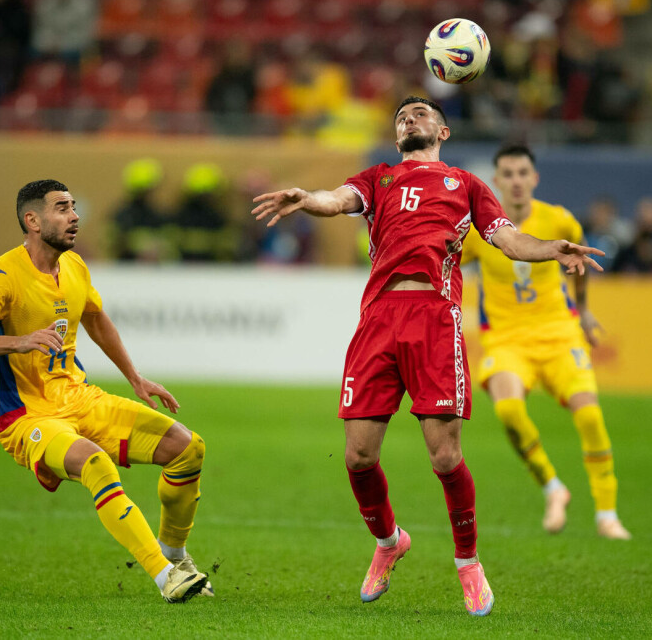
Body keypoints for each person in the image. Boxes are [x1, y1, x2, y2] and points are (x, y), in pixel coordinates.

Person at [252, 97, 605, 617]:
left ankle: (468, 563)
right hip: (378, 320)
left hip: (435, 320)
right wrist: (307, 198)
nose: (408, 119)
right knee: (358, 457)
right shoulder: (378, 179)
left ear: (443, 130)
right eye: (401, 116)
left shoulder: (466, 186)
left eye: (419, 113)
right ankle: (389, 541)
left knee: (444, 457)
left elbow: (508, 240)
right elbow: (336, 200)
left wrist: (552, 248)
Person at [0, 179, 211, 603]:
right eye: (62, 208)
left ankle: (174, 555)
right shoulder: (1, 276)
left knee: (187, 448)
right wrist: (20, 341)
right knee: (95, 462)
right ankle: (165, 578)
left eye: (73, 207)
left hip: (79, 398)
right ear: (33, 221)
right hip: (28, 417)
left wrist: (135, 378)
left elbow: (96, 318)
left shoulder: (74, 266)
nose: (74, 216)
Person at [462, 144, 631, 542]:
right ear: (496, 181)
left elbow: (579, 260)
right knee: (508, 410)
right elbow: (444, 259)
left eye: (523, 173)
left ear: (535, 178)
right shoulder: (477, 231)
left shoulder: (558, 220)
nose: (516, 181)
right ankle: (553, 488)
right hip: (506, 339)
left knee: (590, 417)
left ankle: (607, 514)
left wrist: (583, 309)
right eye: (508, 174)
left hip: (558, 333)